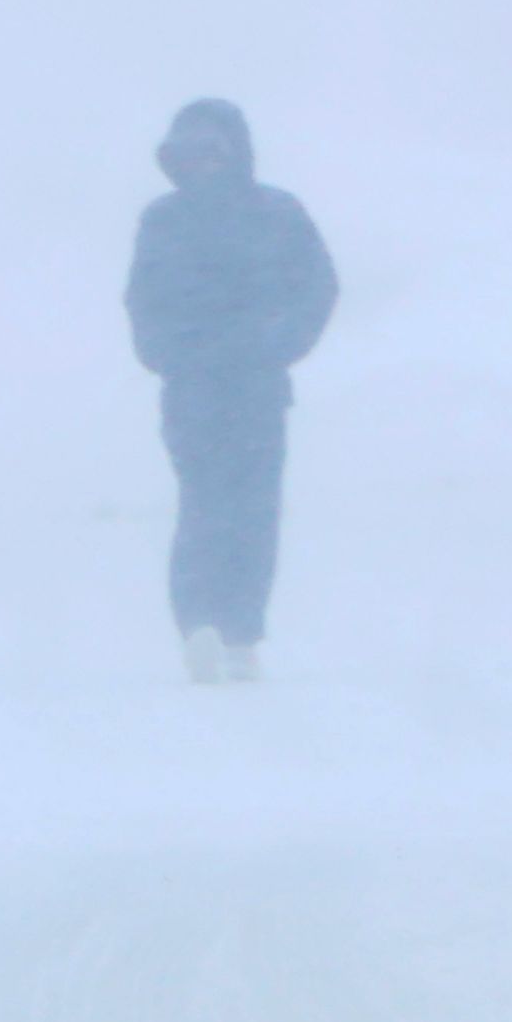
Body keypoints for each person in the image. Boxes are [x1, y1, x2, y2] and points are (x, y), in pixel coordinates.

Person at [124, 98, 338, 685]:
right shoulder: (162, 221)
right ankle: (199, 628)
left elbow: (317, 285)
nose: (202, 164)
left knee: (254, 510)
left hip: (259, 389)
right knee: (203, 503)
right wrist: (166, 353)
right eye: (189, 154)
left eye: (211, 151)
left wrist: (279, 342)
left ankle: (241, 635)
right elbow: (142, 301)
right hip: (191, 389)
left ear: (235, 151)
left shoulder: (278, 212)